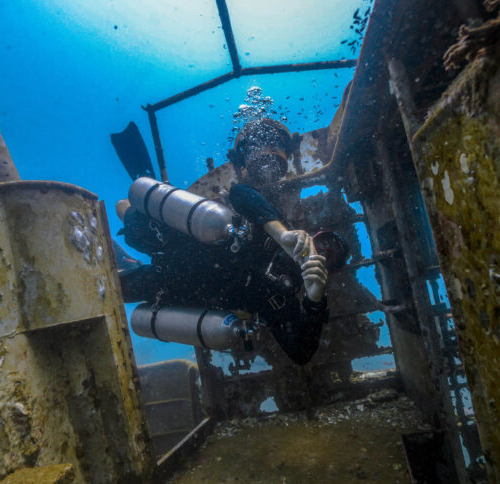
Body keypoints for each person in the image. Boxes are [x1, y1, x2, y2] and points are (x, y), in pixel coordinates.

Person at [116, 119, 349, 365]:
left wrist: (315, 300)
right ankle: (148, 190)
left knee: (118, 289)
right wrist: (281, 233)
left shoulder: (282, 298)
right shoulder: (277, 230)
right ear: (314, 236)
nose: (322, 253)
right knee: (125, 208)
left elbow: (301, 352)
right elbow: (240, 193)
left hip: (173, 288)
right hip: (175, 242)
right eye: (324, 242)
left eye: (330, 257)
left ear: (330, 272)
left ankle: (129, 263)